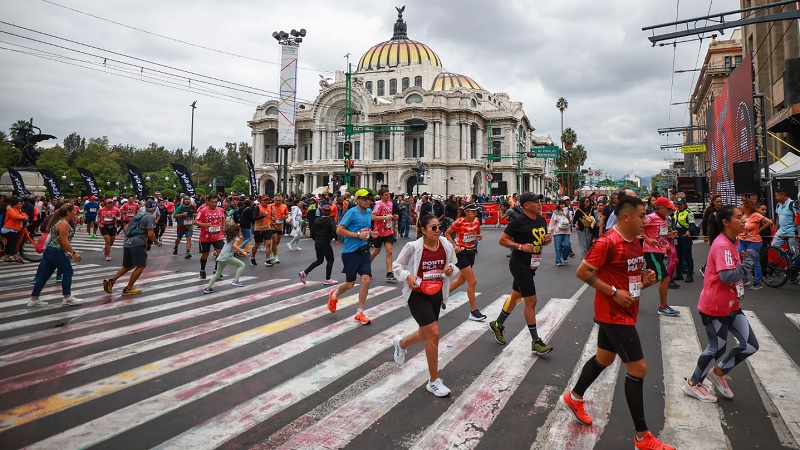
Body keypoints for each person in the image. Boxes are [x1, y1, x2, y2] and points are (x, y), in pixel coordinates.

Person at [562, 196, 673, 450]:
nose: (646, 220)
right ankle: (642, 437)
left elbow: (629, 275)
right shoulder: (607, 242)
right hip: (613, 314)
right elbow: (583, 272)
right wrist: (612, 292)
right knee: (638, 369)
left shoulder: (635, 240)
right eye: (642, 216)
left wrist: (645, 279)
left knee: (604, 358)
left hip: (627, 308)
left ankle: (574, 396)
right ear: (626, 217)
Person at [682, 204, 760, 403]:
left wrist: (742, 259)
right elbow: (727, 276)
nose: (744, 220)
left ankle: (717, 373)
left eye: (743, 216)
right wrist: (749, 260)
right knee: (716, 348)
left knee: (750, 345)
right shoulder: (723, 245)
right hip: (715, 308)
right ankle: (692, 384)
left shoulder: (731, 241)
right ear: (726, 222)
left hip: (732, 306)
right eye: (739, 217)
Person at [392, 213, 458, 397]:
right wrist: (408, 276)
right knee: (434, 333)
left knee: (426, 332)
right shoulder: (413, 247)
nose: (438, 231)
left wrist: (450, 269)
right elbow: (397, 267)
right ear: (423, 230)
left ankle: (401, 344)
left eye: (439, 227)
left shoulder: (445, 244)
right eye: (433, 228)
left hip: (436, 293)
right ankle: (433, 381)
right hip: (417, 295)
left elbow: (454, 264)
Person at [489, 192, 554, 355]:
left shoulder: (540, 219)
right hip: (519, 264)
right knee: (531, 301)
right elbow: (502, 240)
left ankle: (497, 325)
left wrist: (545, 240)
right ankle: (535, 341)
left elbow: (539, 240)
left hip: (532, 264)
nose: (539, 204)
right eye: (536, 202)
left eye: (540, 202)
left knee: (516, 297)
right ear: (526, 205)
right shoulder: (518, 221)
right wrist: (519, 246)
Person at [327, 188, 378, 325]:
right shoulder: (351, 212)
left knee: (366, 279)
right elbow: (339, 229)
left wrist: (371, 233)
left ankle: (359, 312)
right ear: (357, 200)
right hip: (351, 252)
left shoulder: (368, 212)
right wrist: (357, 235)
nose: (368, 201)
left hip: (364, 251)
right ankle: (335, 295)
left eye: (369, 199)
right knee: (350, 284)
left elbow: (364, 228)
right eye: (364, 199)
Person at [27, 203, 82, 307]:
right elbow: (64, 241)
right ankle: (67, 298)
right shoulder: (64, 224)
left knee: (44, 275)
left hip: (51, 251)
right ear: (68, 213)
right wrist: (73, 253)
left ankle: (34, 299)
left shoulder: (59, 222)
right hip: (57, 251)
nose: (76, 212)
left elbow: (60, 241)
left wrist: (67, 252)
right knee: (68, 272)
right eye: (74, 211)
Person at [103, 200, 162, 296]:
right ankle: (128, 287)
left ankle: (111, 281)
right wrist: (157, 242)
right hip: (137, 243)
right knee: (141, 265)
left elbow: (126, 227)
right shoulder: (151, 217)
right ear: (155, 208)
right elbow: (150, 233)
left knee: (129, 265)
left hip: (127, 242)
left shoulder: (138, 215)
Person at [444, 203, 486, 321]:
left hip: (471, 252)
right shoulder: (459, 222)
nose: (475, 213)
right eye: (472, 211)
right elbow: (447, 233)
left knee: (461, 280)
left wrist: (478, 236)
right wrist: (454, 245)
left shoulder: (476, 221)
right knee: (472, 281)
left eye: (476, 211)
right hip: (461, 253)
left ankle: (441, 297)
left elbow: (477, 232)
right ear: (466, 212)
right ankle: (473, 311)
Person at [642, 197, 680, 316]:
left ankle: (631, 292)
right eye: (669, 209)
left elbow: (660, 235)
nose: (670, 211)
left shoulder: (663, 219)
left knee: (655, 278)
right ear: (661, 208)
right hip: (651, 251)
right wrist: (648, 239)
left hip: (658, 251)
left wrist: (669, 235)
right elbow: (637, 227)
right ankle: (663, 307)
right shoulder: (651, 217)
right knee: (665, 277)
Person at [299, 204, 339, 285]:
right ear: (330, 212)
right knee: (330, 260)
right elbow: (334, 230)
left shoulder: (317, 220)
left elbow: (312, 232)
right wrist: (335, 238)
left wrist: (316, 239)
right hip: (325, 242)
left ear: (322, 211)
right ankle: (327, 278)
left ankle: (305, 272)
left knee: (319, 260)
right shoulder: (331, 220)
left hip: (318, 241)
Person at [737, 198, 772, 290]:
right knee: (739, 259)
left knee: (755, 262)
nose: (740, 206)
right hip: (741, 240)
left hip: (754, 241)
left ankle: (758, 282)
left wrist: (759, 230)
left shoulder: (756, 215)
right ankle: (744, 279)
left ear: (747, 207)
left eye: (741, 205)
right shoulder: (741, 215)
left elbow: (769, 222)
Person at [203, 223, 247, 293]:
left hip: (221, 257)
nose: (240, 233)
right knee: (242, 265)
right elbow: (234, 246)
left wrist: (239, 250)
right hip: (227, 257)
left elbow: (230, 247)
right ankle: (236, 280)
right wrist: (242, 252)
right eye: (240, 231)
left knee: (217, 273)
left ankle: (208, 287)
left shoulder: (229, 238)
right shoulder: (236, 238)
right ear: (236, 232)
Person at [370, 188, 399, 282]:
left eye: (388, 194)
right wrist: (384, 217)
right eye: (386, 195)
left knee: (389, 251)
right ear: (381, 196)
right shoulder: (378, 204)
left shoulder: (391, 203)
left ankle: (389, 272)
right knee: (376, 250)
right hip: (379, 231)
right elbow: (373, 217)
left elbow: (390, 214)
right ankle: (365, 265)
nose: (388, 196)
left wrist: (394, 217)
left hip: (388, 230)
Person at [195, 196, 226, 279]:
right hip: (206, 236)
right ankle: (202, 270)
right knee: (206, 254)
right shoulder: (203, 211)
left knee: (220, 253)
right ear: (208, 202)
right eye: (212, 202)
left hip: (218, 236)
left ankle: (216, 271)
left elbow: (223, 219)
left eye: (216, 202)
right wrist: (203, 225)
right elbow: (196, 221)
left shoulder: (220, 210)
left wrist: (223, 228)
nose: (214, 204)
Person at [673, 197, 696, 283]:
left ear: (684, 204)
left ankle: (690, 275)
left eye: (680, 204)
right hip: (677, 234)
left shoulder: (688, 213)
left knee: (687, 256)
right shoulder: (676, 212)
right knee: (678, 255)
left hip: (685, 234)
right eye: (677, 204)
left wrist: (689, 231)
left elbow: (692, 224)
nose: (678, 206)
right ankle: (679, 274)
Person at [771, 188, 799, 256]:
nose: (776, 197)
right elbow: (778, 218)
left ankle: (795, 265)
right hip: (781, 230)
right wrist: (775, 230)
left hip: (791, 231)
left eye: (777, 196)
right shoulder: (778, 205)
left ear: (782, 195)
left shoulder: (792, 204)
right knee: (774, 245)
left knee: (794, 251)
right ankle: (787, 259)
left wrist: (796, 230)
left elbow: (797, 216)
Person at [2, 197, 28, 263]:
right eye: (19, 204)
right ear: (14, 205)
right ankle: (16, 258)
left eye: (21, 204)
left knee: (10, 244)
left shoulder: (18, 210)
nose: (21, 205)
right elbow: (15, 216)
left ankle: (7, 258)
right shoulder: (11, 210)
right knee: (12, 244)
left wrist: (25, 216)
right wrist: (24, 217)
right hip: (9, 229)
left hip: (14, 229)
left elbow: (23, 215)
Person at [250, 195, 274, 267]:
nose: (266, 201)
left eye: (267, 200)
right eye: (264, 200)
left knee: (268, 243)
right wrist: (262, 216)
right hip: (258, 229)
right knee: (257, 244)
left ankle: (267, 260)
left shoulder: (270, 207)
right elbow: (254, 218)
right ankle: (252, 257)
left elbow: (270, 216)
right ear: (261, 201)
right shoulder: (258, 207)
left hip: (267, 228)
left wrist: (273, 219)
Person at [548, 199, 572, 266]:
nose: (562, 205)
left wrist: (568, 217)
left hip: (566, 231)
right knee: (557, 246)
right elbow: (552, 222)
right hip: (557, 231)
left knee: (567, 245)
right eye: (561, 204)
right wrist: (549, 231)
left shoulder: (568, 212)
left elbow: (571, 222)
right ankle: (558, 260)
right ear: (558, 205)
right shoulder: (555, 213)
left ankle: (564, 256)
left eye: (563, 204)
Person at [267, 195, 290, 264]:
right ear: (274, 200)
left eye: (280, 200)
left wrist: (285, 217)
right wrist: (271, 220)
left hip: (280, 225)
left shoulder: (284, 206)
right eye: (277, 200)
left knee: (277, 241)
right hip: (273, 225)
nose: (278, 202)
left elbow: (287, 214)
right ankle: (275, 256)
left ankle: (272, 252)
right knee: (274, 240)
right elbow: (267, 215)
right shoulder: (270, 206)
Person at [97, 198, 121, 262]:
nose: (110, 204)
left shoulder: (116, 210)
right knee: (107, 240)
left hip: (113, 226)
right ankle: (108, 255)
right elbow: (98, 215)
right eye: (108, 203)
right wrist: (97, 221)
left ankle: (105, 249)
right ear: (106, 204)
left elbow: (119, 217)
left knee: (111, 242)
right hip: (104, 225)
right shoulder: (101, 210)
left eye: (111, 203)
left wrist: (115, 218)